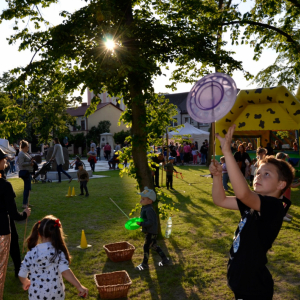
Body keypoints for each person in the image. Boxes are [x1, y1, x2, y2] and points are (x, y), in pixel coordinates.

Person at [210, 124, 293, 300]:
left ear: (281, 185)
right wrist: (217, 177)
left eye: (267, 174)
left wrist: (227, 153)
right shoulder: (253, 202)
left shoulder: (274, 206)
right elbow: (221, 200)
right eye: (257, 173)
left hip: (254, 289)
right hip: (242, 284)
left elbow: (242, 193)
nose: (258, 176)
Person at [18, 215, 88, 299]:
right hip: (56, 295)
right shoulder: (58, 252)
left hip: (36, 296)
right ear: (57, 234)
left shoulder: (31, 253)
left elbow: (22, 273)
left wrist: (25, 282)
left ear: (39, 234)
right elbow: (65, 271)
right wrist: (79, 286)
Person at [0, 149, 31, 298]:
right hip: (2, 229)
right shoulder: (5, 186)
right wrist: (25, 214)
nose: (5, 161)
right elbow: (14, 214)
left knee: (14, 244)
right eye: (3, 159)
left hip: (6, 223)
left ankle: (19, 269)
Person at [135, 187, 170, 270]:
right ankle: (165, 259)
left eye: (143, 199)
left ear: (150, 201)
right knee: (154, 246)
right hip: (150, 231)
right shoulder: (145, 208)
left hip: (151, 231)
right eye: (141, 199)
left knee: (146, 246)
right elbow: (145, 219)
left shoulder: (149, 210)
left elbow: (150, 222)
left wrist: (142, 224)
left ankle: (144, 264)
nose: (141, 201)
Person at [276, 152, 300, 221]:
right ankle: (283, 214)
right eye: (284, 158)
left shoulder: (281, 165)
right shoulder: (281, 167)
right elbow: (293, 185)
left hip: (286, 185)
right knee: (286, 201)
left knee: (287, 201)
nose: (286, 160)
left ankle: (284, 213)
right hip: (284, 185)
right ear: (282, 158)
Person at [18, 140, 34, 208]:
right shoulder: (21, 154)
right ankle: (24, 204)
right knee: (27, 188)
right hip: (25, 172)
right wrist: (30, 163)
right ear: (24, 147)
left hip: (28, 172)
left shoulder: (25, 153)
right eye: (27, 146)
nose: (28, 148)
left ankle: (27, 203)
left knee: (28, 188)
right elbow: (21, 164)